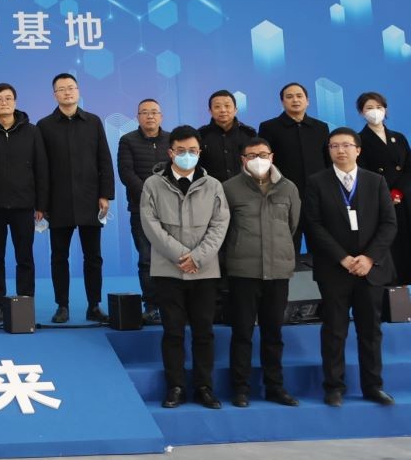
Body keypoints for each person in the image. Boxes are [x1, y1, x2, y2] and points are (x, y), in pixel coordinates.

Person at [304, 128, 398, 407]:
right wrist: (343, 258)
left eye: (346, 145)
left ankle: (373, 386)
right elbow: (314, 225)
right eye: (334, 146)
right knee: (334, 330)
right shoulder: (316, 182)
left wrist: (368, 258)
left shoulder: (375, 181)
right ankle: (334, 386)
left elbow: (389, 224)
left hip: (370, 269)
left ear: (358, 150)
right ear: (329, 151)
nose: (340, 150)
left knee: (370, 331)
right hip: (335, 269)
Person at [139, 125, 229, 410]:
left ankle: (204, 387)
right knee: (173, 331)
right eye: (181, 151)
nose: (187, 155)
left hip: (204, 270)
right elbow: (150, 225)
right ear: (170, 153)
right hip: (169, 270)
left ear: (199, 152)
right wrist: (182, 256)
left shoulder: (213, 185)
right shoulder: (153, 184)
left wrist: (198, 257)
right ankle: (175, 387)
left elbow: (220, 224)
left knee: (204, 331)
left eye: (192, 150)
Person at [221, 135, 301, 407]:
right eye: (252, 156)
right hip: (243, 271)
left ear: (272, 157)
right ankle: (240, 389)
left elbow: (292, 225)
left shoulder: (288, 188)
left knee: (273, 334)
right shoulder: (229, 188)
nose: (258, 160)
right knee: (242, 333)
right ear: (243, 160)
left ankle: (275, 387)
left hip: (277, 272)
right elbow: (223, 229)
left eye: (263, 155)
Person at [37, 73, 114, 323]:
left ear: (78, 91)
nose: (67, 92)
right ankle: (62, 306)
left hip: (90, 199)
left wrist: (105, 195)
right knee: (59, 257)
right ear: (54, 95)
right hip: (58, 201)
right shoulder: (44, 125)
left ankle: (94, 306)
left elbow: (104, 160)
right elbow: (41, 168)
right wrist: (42, 204)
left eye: (71, 87)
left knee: (93, 257)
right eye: (61, 89)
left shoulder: (93, 121)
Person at [357, 91, 411, 316]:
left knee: (405, 248)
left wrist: (398, 192)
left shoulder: (399, 137)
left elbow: (410, 166)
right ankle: (382, 303)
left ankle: (405, 302)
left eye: (378, 107)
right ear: (361, 112)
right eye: (369, 108)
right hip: (376, 201)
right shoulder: (359, 140)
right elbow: (362, 171)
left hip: (403, 199)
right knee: (385, 249)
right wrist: (384, 194)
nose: (374, 111)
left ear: (385, 109)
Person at [0, 83, 46, 326]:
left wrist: (41, 204)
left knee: (25, 258)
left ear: (15, 102)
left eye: (8, 98)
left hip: (24, 206)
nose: (3, 102)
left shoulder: (32, 131)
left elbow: (41, 168)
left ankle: (25, 303)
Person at [259, 82, 329, 266]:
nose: (295, 100)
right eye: (289, 97)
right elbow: (265, 163)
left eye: (299, 96)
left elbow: (327, 161)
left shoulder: (321, 127)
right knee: (287, 248)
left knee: (321, 247)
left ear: (308, 101)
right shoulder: (269, 127)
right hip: (283, 196)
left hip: (316, 196)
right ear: (282, 102)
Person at [117, 98, 169, 323]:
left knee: (173, 259)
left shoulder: (172, 140)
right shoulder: (127, 141)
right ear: (137, 117)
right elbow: (126, 173)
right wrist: (150, 196)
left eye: (154, 112)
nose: (150, 116)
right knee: (147, 259)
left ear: (161, 116)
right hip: (141, 209)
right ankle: (151, 305)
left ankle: (172, 305)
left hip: (172, 210)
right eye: (145, 112)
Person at [197, 90, 257, 182]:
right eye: (217, 106)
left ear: (235, 110)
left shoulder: (249, 134)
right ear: (210, 111)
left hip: (244, 187)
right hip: (212, 188)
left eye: (227, 106)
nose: (223, 110)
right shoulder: (201, 135)